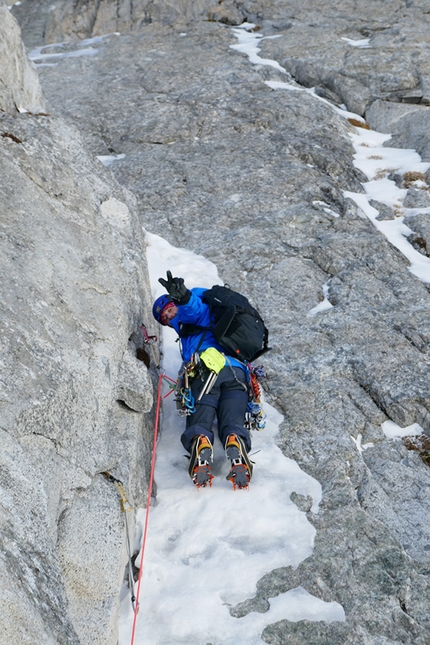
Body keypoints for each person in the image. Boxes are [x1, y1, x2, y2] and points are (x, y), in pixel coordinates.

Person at [153, 271, 253, 489]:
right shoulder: (208, 323)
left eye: (169, 311)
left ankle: (201, 444)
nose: (170, 318)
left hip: (206, 371)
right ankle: (235, 440)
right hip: (236, 373)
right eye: (166, 319)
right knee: (233, 420)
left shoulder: (194, 310)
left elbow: (193, 310)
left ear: (173, 302)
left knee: (200, 420)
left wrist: (183, 298)